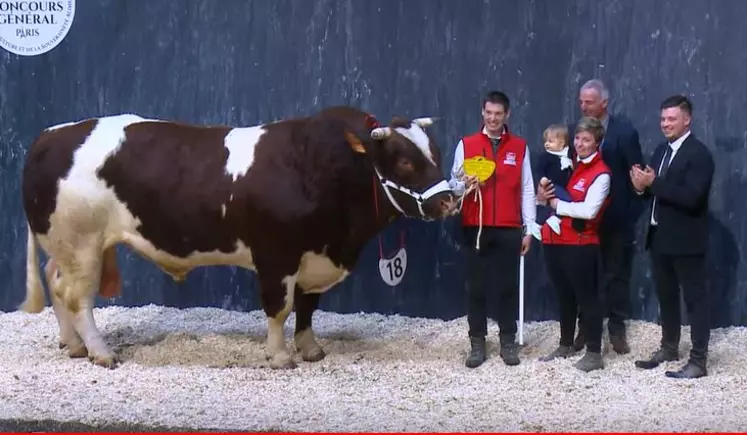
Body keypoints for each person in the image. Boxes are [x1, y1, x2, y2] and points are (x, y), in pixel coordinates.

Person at [449, 90, 536, 368]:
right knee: (476, 287)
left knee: (508, 287)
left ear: (507, 115)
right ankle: (477, 342)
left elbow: (527, 188)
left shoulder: (520, 147)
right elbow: (453, 184)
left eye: (498, 114)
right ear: (482, 113)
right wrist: (465, 184)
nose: (493, 118)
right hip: (476, 225)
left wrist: (529, 229)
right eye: (489, 113)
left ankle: (508, 342)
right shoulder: (467, 144)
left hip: (509, 227)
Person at [630, 94, 714, 379]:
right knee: (666, 297)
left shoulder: (699, 154)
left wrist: (654, 183)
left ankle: (699, 361)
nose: (665, 124)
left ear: (687, 119)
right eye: (663, 119)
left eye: (671, 119)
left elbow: (692, 197)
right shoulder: (661, 151)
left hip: (686, 241)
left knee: (694, 300)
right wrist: (641, 188)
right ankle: (669, 347)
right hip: (660, 239)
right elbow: (655, 191)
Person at [570, 79, 644, 354]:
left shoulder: (624, 133)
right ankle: (586, 329)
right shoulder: (574, 132)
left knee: (616, 274)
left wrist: (630, 213)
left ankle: (616, 328)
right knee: (584, 275)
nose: (583, 106)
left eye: (589, 101)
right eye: (581, 101)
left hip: (616, 220)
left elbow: (636, 175)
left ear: (604, 103)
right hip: (582, 221)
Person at [536, 116, 611, 373]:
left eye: (586, 139)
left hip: (581, 244)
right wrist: (541, 199)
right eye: (577, 138)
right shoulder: (567, 165)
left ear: (597, 142)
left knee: (587, 298)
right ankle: (566, 343)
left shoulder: (601, 173)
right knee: (564, 295)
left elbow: (590, 211)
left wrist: (557, 205)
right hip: (555, 241)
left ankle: (593, 352)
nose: (580, 143)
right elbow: (544, 198)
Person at [533, 123, 574, 239]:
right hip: (552, 186)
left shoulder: (567, 155)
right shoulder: (546, 156)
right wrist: (542, 179)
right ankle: (555, 219)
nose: (546, 144)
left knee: (550, 206)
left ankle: (538, 225)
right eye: (546, 141)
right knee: (567, 201)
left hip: (563, 186)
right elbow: (539, 169)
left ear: (561, 143)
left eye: (550, 141)